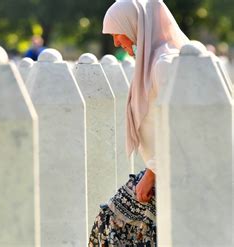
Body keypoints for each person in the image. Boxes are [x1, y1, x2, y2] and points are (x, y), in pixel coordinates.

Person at [89, 0, 189, 245]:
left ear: (135, 26)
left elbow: (178, 127)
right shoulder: (152, 62)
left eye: (117, 33)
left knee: (110, 226)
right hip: (159, 170)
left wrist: (151, 174)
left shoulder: (164, 64)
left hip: (172, 173)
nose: (115, 42)